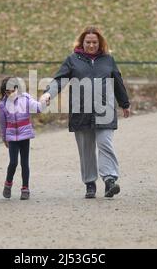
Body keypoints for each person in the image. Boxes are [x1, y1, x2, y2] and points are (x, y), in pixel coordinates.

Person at [40, 26, 130, 199]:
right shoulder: (73, 60)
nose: (91, 45)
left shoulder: (108, 60)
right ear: (82, 42)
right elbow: (59, 80)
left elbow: (118, 81)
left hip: (105, 111)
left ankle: (110, 179)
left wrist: (124, 103)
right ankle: (90, 183)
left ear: (100, 43)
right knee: (86, 149)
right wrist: (47, 93)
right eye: (88, 42)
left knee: (105, 144)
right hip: (81, 111)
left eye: (94, 42)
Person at [0, 77, 42, 200]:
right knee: (13, 162)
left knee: (24, 163)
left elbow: (37, 107)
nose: (10, 94)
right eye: (7, 92)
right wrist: (4, 138)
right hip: (12, 137)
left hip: (25, 135)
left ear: (17, 89)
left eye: (12, 91)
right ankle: (8, 183)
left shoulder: (26, 99)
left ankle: (25, 188)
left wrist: (44, 102)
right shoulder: (3, 105)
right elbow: (2, 123)